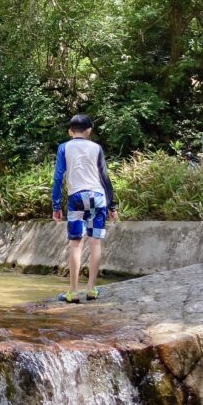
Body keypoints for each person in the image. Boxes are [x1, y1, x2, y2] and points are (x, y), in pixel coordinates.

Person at [51, 113, 118, 303]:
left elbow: (58, 178)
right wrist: (112, 205)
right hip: (98, 197)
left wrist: (56, 204)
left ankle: (72, 291)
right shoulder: (96, 148)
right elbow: (105, 177)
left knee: (75, 243)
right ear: (89, 131)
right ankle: (91, 289)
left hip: (76, 198)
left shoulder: (63, 148)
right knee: (95, 242)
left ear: (70, 131)